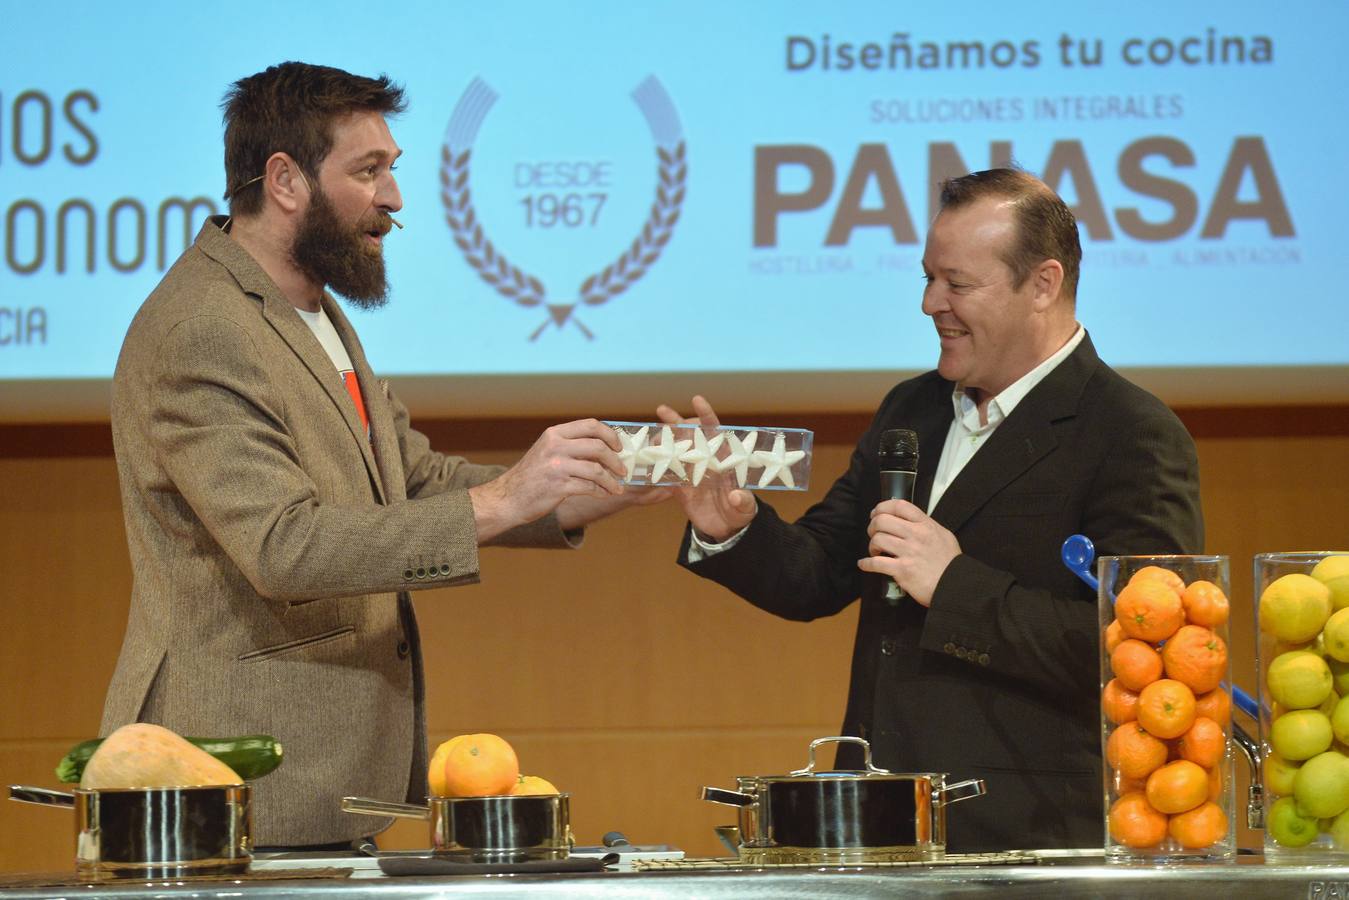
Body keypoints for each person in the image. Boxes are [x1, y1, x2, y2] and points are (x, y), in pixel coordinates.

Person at [101, 62, 661, 849]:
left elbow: (412, 479)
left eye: (391, 170)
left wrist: (569, 491)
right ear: (285, 179)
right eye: (369, 172)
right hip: (228, 782)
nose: (394, 200)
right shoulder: (201, 327)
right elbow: (283, 547)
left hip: (317, 781)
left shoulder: (310, 309)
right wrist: (502, 501)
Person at [660, 167, 1203, 851]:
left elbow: (1143, 656)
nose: (929, 304)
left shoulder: (1130, 434)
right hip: (875, 825)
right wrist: (733, 531)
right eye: (926, 279)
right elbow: (821, 573)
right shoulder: (911, 409)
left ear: (1042, 284)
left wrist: (954, 586)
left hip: (1027, 840)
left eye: (957, 284)